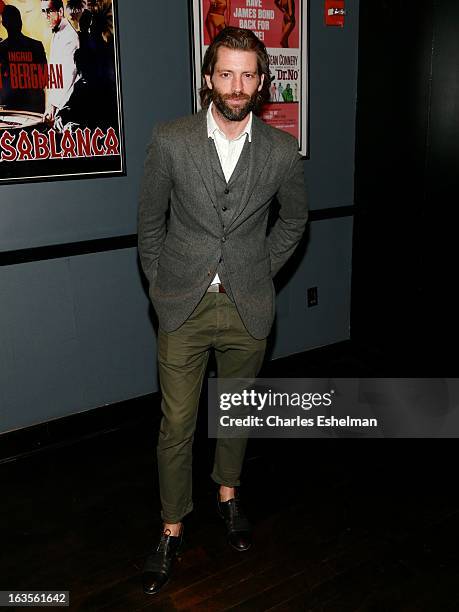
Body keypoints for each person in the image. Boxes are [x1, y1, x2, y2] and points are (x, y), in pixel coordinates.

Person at [138, 26, 308, 596]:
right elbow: (149, 225)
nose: (236, 85)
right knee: (178, 425)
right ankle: (171, 526)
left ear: (262, 83)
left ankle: (228, 495)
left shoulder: (282, 151)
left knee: (235, 414)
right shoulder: (171, 139)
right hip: (182, 306)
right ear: (208, 78)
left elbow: (294, 221)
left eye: (248, 75)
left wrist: (258, 270)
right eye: (226, 73)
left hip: (247, 309)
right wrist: (163, 287)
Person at [0, 5, 47, 113]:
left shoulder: (2, 49)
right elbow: (43, 80)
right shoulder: (36, 46)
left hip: (11, 108)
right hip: (33, 107)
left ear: (4, 24)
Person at [41, 0, 79, 122]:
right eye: (43, 11)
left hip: (66, 106)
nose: (46, 16)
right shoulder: (57, 32)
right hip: (57, 105)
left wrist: (53, 106)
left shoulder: (69, 36)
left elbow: (68, 75)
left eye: (49, 11)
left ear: (61, 11)